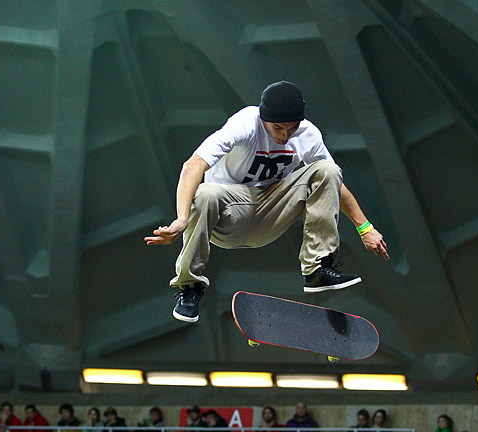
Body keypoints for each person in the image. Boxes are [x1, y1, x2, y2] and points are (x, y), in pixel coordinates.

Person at [145, 80, 389, 322]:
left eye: (291, 129)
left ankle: (316, 270)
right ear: (264, 119)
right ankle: (190, 287)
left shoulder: (308, 133)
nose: (284, 136)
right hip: (229, 215)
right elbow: (193, 165)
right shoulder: (244, 124)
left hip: (272, 210)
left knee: (328, 170)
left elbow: (334, 185)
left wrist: (365, 228)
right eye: (278, 128)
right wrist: (181, 218)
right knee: (206, 192)